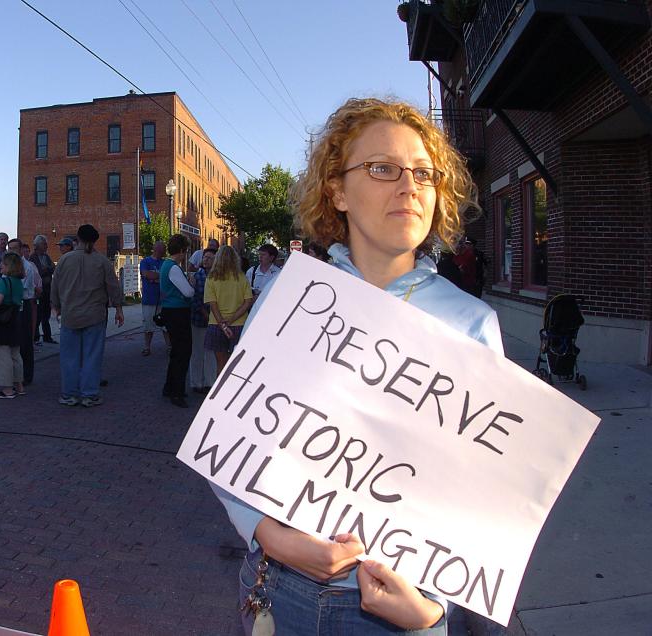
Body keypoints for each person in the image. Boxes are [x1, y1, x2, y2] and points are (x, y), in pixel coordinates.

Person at [215, 97, 505, 635]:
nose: (409, 186)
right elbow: (230, 435)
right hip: (279, 593)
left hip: (399, 611)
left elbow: (482, 495)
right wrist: (266, 533)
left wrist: (432, 610)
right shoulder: (291, 297)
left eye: (423, 173)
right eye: (382, 168)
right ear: (337, 191)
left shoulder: (470, 322)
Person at [50, 224, 124, 407]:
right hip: (94, 315)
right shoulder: (102, 262)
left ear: (78, 239)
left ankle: (70, 394)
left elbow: (55, 287)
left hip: (70, 314)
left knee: (69, 357)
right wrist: (119, 308)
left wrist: (56, 306)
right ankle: (89, 394)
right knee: (92, 356)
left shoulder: (66, 260)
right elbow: (113, 286)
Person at [203, 245, 253, 377]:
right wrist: (230, 320)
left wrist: (223, 324)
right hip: (239, 324)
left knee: (220, 363)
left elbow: (212, 304)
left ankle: (219, 394)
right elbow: (248, 301)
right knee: (237, 365)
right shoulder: (241, 277)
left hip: (216, 325)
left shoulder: (211, 278)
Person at [159, 234, 195, 408]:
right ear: (181, 251)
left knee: (176, 352)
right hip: (178, 312)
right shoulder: (173, 267)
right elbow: (188, 292)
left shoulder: (166, 265)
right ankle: (177, 392)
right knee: (183, 352)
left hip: (170, 311)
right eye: (185, 251)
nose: (185, 254)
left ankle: (169, 386)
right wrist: (191, 283)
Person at [0, 251, 25, 399]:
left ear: (8, 266)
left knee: (1, 354)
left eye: (3, 263)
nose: (0, 265)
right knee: (15, 354)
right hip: (15, 318)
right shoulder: (18, 282)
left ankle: (7, 388)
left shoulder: (3, 281)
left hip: (2, 320)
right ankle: (19, 384)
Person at [188, 247, 217, 393]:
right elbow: (195, 300)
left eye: (210, 258)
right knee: (197, 351)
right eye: (205, 257)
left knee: (211, 352)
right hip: (199, 319)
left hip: (214, 320)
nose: (206, 260)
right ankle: (196, 382)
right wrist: (207, 314)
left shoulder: (218, 277)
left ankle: (210, 381)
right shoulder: (198, 277)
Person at [139, 240, 169, 356]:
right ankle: (147, 347)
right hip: (149, 298)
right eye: (163, 250)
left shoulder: (165, 262)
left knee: (165, 324)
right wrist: (159, 276)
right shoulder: (146, 261)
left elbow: (166, 277)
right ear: (158, 250)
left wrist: (155, 278)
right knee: (148, 324)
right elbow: (146, 274)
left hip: (163, 299)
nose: (165, 252)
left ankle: (169, 346)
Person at [15, 239, 39, 382]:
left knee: (25, 341)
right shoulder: (9, 263)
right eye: (9, 248)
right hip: (14, 305)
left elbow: (21, 287)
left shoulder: (27, 267)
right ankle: (18, 372)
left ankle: (27, 374)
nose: (11, 251)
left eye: (14, 248)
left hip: (24, 303)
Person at [30, 234, 56, 344]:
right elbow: (38, 272)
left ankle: (47, 336)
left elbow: (53, 268)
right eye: (44, 244)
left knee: (46, 314)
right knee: (38, 314)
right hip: (38, 291)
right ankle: (35, 336)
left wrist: (47, 269)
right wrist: (47, 270)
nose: (46, 246)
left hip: (47, 289)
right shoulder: (33, 257)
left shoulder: (46, 257)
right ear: (37, 245)